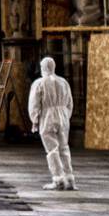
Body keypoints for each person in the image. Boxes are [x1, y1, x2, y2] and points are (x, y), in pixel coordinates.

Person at [28, 56, 76, 190]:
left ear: (42, 67)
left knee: (52, 149)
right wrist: (66, 116)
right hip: (63, 117)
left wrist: (35, 120)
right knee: (64, 147)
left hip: (47, 117)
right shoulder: (63, 82)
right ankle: (69, 178)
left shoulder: (39, 83)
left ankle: (58, 179)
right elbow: (70, 103)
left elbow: (34, 104)